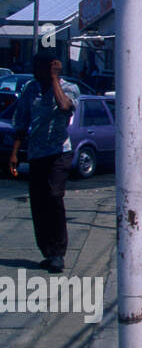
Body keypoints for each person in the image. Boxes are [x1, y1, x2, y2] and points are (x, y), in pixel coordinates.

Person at [9, 51, 78, 273]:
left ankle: (58, 252)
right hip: (36, 153)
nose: (34, 72)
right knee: (39, 203)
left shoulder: (68, 87)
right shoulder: (31, 89)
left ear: (52, 67)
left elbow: (65, 107)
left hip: (59, 152)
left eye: (40, 67)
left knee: (53, 196)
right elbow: (21, 121)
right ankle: (47, 252)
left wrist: (54, 80)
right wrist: (15, 154)